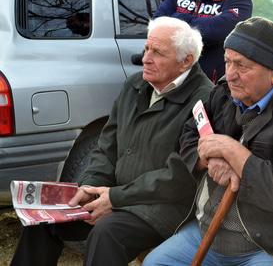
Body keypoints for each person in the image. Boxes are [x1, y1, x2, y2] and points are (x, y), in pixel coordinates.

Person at [11, 17, 213, 266]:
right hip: (114, 194)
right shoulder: (135, 84)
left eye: (158, 52)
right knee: (44, 219)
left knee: (107, 234)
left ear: (186, 61)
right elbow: (106, 147)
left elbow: (179, 176)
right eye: (147, 48)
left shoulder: (204, 100)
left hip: (163, 208)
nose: (146, 58)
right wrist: (90, 187)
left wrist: (115, 199)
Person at [142, 17, 273, 266]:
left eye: (242, 66)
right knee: (154, 263)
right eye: (228, 62)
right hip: (205, 231)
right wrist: (208, 158)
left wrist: (236, 155)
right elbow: (190, 133)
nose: (230, 74)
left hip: (264, 244)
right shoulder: (223, 92)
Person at [154, 0, 253, 82]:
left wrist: (176, 18)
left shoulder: (240, 0)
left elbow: (218, 30)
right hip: (171, 76)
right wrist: (200, 24)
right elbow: (157, 22)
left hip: (210, 81)